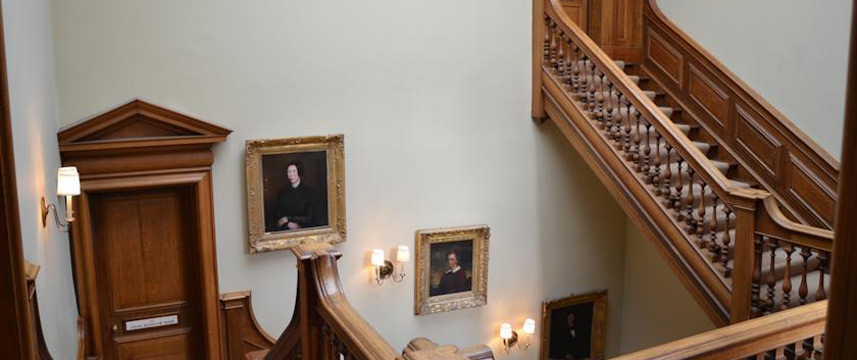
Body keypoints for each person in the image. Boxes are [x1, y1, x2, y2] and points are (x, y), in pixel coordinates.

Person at [272, 162, 315, 231]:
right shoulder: (282, 192)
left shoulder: (309, 192)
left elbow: (310, 217)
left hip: (304, 229)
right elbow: (278, 216)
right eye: (289, 172)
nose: (291, 174)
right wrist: (288, 224)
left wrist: (289, 219)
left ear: (299, 172)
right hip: (286, 229)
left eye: (294, 171)